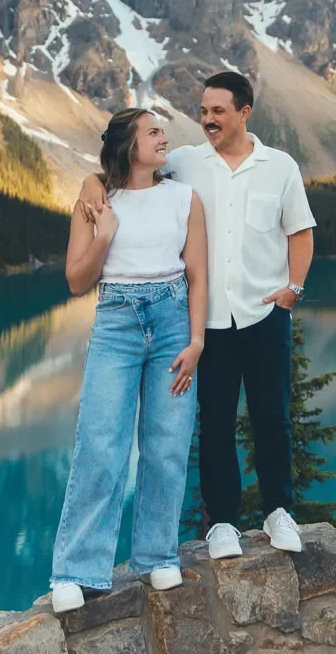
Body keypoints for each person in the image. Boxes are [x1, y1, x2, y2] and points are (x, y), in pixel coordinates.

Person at [77, 71, 315, 561]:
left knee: (272, 418)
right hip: (208, 322)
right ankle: (223, 523)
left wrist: (293, 290)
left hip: (265, 315)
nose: (206, 119)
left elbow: (300, 232)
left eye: (217, 111)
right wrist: (89, 179)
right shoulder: (184, 163)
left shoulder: (280, 167)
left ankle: (278, 512)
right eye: (203, 111)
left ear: (244, 112)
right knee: (216, 424)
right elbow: (125, 171)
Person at [50, 107, 209, 614]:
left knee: (167, 442)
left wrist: (197, 341)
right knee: (100, 442)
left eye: (165, 130)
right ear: (128, 144)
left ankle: (156, 555)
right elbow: (77, 280)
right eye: (154, 131)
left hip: (172, 325)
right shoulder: (97, 199)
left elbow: (198, 276)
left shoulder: (185, 198)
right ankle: (76, 571)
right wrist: (104, 234)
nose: (166, 138)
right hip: (116, 322)